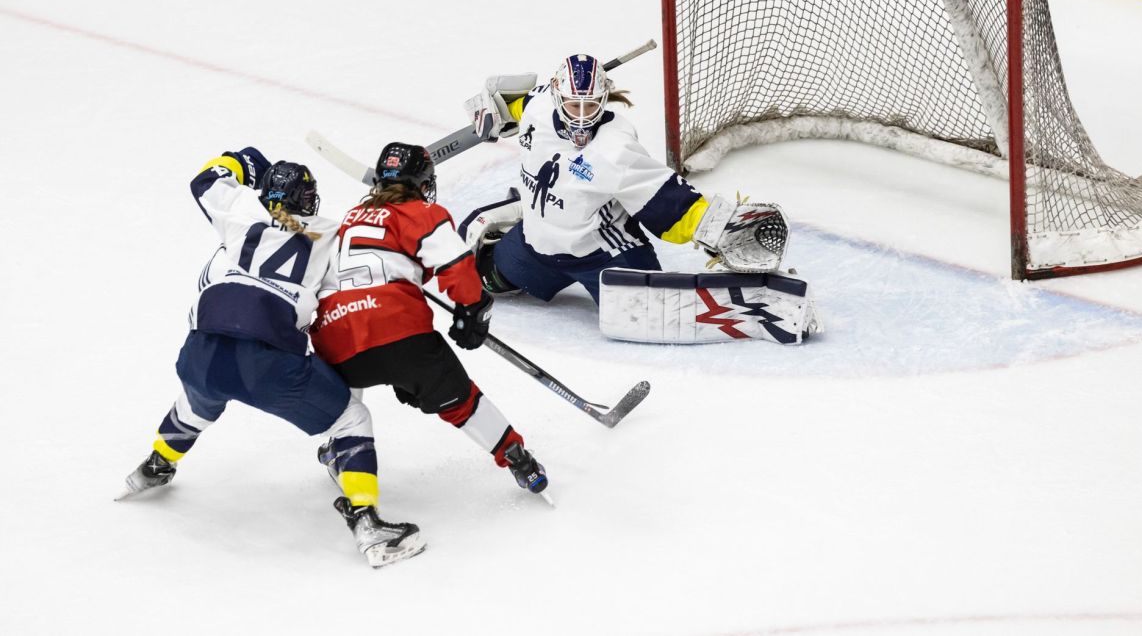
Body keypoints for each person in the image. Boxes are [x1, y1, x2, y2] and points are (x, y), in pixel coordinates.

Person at [118, 147, 425, 568]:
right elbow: (365, 270)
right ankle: (367, 522)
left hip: (199, 351)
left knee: (196, 400)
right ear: (309, 201)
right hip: (269, 362)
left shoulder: (241, 208)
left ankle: (157, 463)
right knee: (351, 419)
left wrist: (244, 159)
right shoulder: (329, 235)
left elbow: (205, 179)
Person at [310, 141, 548, 497]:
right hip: (399, 334)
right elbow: (454, 263)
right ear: (422, 183)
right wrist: (472, 309)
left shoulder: (350, 218)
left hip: (334, 335)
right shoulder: (421, 211)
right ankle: (518, 459)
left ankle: (339, 450)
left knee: (346, 391)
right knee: (461, 400)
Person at [461, 54, 787, 304]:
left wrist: (715, 226)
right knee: (486, 278)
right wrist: (497, 109)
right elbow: (518, 105)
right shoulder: (538, 107)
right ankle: (522, 211)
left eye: (591, 107)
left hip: (603, 255)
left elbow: (665, 200)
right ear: (557, 99)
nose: (581, 116)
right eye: (573, 105)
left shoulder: (614, 148)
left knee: (653, 307)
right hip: (538, 248)